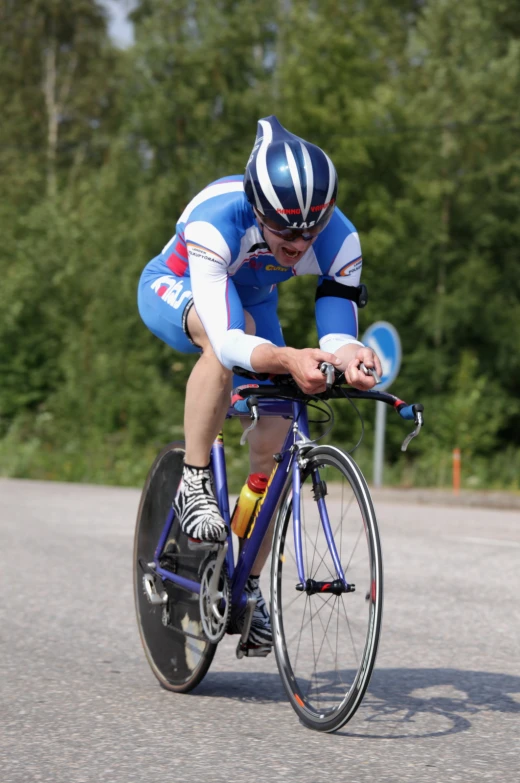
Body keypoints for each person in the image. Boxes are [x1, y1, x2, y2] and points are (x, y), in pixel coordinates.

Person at [137, 115, 382, 650]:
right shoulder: (216, 221)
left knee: (275, 437)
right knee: (232, 345)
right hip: (177, 287)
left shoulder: (338, 238)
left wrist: (352, 355)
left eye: (311, 231)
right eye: (287, 232)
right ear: (258, 209)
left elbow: (337, 329)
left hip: (253, 304)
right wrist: (289, 356)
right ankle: (196, 479)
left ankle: (244, 581)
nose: (300, 244)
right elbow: (227, 339)